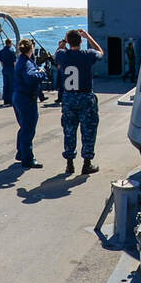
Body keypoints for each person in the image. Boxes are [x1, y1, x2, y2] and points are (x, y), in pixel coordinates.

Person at [54, 28, 104, 175]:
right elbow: (100, 52)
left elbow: (58, 52)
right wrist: (88, 36)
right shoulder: (88, 55)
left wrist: (64, 42)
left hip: (69, 98)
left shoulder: (62, 55)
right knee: (88, 130)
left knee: (69, 130)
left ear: (68, 42)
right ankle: (87, 163)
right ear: (81, 41)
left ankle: (69, 164)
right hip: (85, 97)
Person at [11, 38, 47, 168]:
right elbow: (30, 78)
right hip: (26, 99)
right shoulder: (27, 63)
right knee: (28, 129)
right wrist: (42, 73)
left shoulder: (22, 61)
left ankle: (21, 153)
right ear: (31, 49)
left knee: (24, 127)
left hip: (18, 97)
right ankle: (28, 159)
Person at [0, 39, 15, 104]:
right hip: (11, 69)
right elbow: (14, 62)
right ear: (10, 43)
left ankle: (5, 100)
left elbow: (1, 61)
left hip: (4, 68)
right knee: (11, 85)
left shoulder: (1, 51)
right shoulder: (12, 51)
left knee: (5, 85)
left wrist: (4, 67)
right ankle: (11, 100)